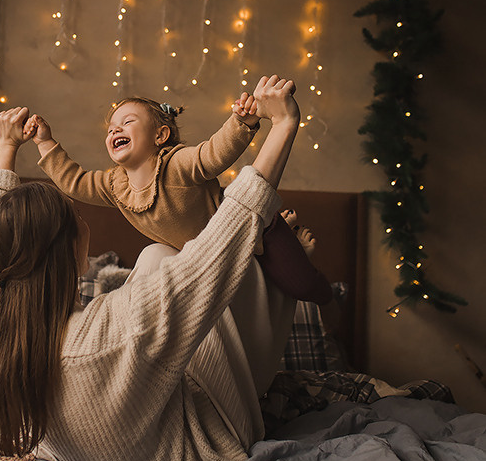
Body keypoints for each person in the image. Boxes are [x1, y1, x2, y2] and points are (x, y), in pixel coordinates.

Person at [0, 75, 306, 461]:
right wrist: (283, 125)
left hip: (106, 436)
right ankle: (292, 271)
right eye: (76, 217)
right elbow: (228, 233)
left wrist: (5, 147)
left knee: (157, 256)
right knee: (189, 263)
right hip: (201, 448)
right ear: (70, 252)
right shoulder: (123, 323)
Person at [23, 88, 331, 304]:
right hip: (211, 258)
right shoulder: (115, 185)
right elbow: (75, 182)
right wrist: (45, 142)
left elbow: (214, 153)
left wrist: (244, 122)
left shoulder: (177, 163)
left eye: (127, 122)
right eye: (111, 128)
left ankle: (295, 247)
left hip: (252, 232)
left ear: (160, 136)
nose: (115, 130)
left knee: (303, 287)